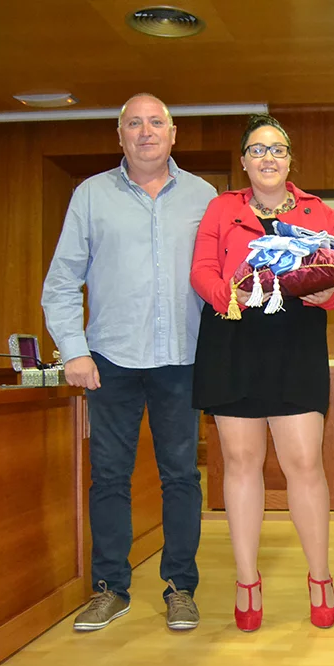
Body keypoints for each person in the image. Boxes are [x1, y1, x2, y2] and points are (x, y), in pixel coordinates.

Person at [42, 93, 216, 631]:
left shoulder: (204, 196)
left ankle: (180, 588)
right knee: (110, 478)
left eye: (155, 122)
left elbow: (220, 279)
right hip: (109, 360)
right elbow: (62, 282)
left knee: (182, 477)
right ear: (119, 136)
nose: (146, 132)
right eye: (134, 124)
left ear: (173, 133)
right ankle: (109, 588)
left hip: (182, 359)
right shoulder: (90, 195)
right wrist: (73, 349)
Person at [189, 114, 334, 631]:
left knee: (304, 462)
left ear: (290, 159)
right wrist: (226, 295)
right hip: (233, 336)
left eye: (277, 149)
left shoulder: (316, 210)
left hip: (294, 339)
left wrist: (330, 292)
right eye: (258, 150)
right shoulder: (220, 207)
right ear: (244, 160)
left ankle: (319, 576)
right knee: (240, 460)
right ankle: (246, 578)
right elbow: (202, 269)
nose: (268, 158)